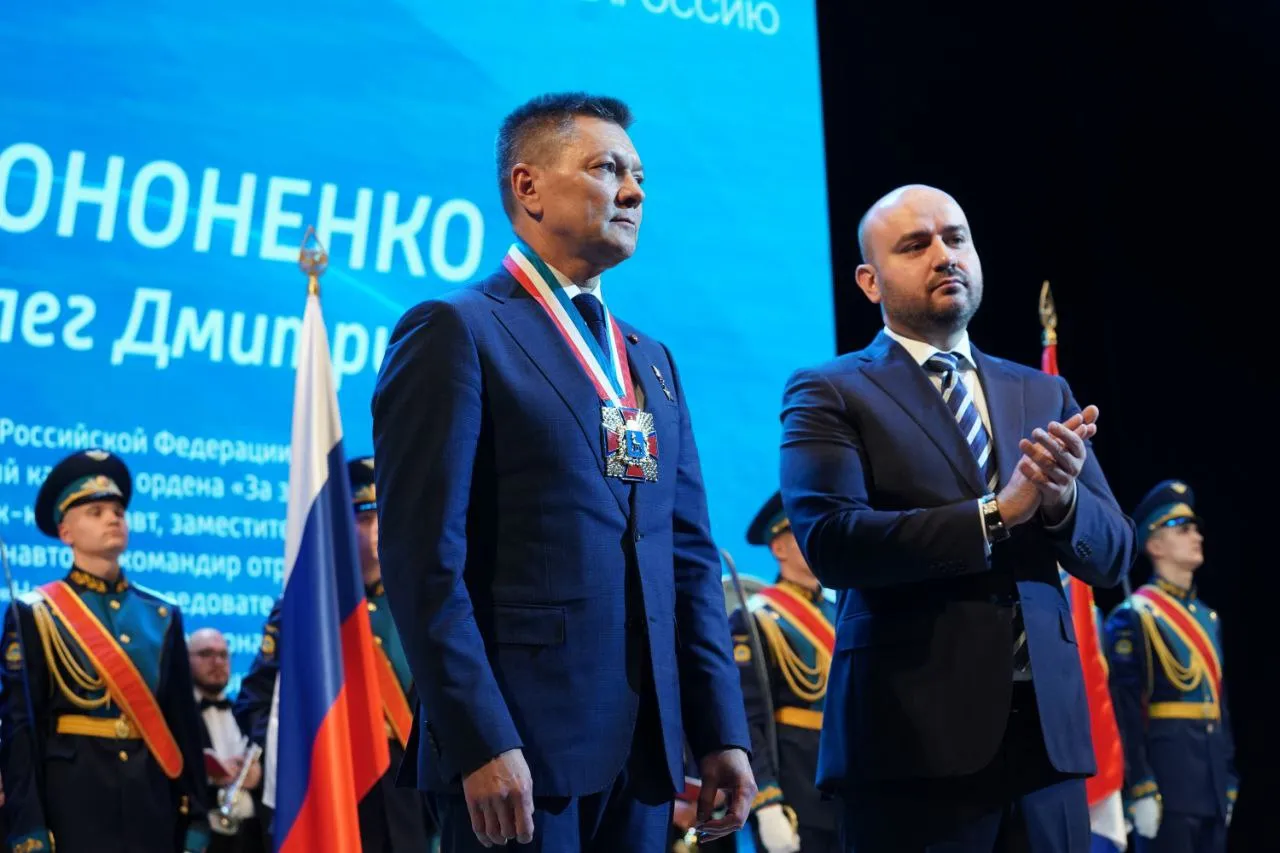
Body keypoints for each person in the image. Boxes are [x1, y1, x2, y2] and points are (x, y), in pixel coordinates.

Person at [371, 92, 755, 853]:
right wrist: (479, 738)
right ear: (529, 187)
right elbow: (423, 562)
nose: (633, 191)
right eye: (607, 169)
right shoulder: (456, 329)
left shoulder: (650, 360)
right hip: (518, 755)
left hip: (645, 759)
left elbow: (685, 559)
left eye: (639, 175)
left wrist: (721, 732)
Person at [778, 184, 1136, 852]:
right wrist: (996, 514)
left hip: (1049, 749)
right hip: (911, 745)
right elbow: (832, 543)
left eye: (956, 238)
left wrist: (1061, 502)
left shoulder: (1041, 390)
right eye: (915, 245)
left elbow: (1115, 552)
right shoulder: (831, 389)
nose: (944, 255)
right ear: (870, 281)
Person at [0, 449, 212, 853]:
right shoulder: (36, 613)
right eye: (95, 512)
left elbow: (182, 723)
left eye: (118, 511)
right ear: (66, 532)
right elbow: (21, 729)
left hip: (151, 802)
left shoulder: (162, 614)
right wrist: (28, 826)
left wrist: (197, 818)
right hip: (73, 803)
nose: (113, 519)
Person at [234, 456, 435, 852]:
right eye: (365, 518)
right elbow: (257, 704)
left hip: (407, 798)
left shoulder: (417, 608)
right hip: (334, 786)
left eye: (384, 517)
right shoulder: (307, 609)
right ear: (340, 525)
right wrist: (301, 759)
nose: (378, 530)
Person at [1104, 481, 1237, 853]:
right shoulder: (1135, 616)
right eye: (1183, 529)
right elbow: (1126, 711)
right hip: (1168, 782)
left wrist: (1228, 777)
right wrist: (1140, 785)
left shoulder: (1208, 618)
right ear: (1155, 545)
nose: (1197, 536)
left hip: (1211, 780)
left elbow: (1219, 704)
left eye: (1196, 528)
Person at [727, 492, 839, 853]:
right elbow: (746, 718)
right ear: (779, 548)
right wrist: (767, 802)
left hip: (854, 788)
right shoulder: (755, 618)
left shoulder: (842, 610)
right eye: (805, 530)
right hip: (799, 792)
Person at [188, 628, 266, 853]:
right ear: (185, 660)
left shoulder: (247, 712)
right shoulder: (178, 717)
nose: (217, 662)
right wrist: (209, 773)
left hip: (251, 840)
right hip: (202, 838)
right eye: (206, 654)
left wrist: (257, 777)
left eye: (223, 655)